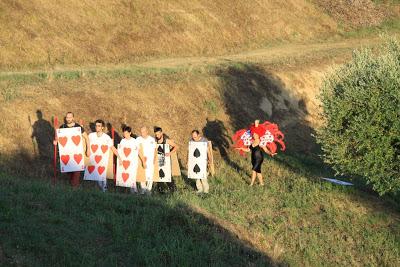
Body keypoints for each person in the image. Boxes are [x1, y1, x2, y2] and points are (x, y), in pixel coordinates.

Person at [53, 111, 88, 188]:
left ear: (73, 118)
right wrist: (56, 141)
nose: (68, 119)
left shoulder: (78, 127)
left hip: (77, 155)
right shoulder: (62, 127)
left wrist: (87, 149)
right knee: (69, 174)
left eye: (70, 117)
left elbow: (86, 137)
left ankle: (75, 189)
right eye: (67, 117)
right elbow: (58, 139)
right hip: (67, 155)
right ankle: (74, 188)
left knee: (76, 174)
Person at [236, 120, 276, 186]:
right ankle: (261, 183)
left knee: (254, 170)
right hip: (253, 158)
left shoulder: (261, 142)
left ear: (258, 135)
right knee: (258, 171)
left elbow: (266, 150)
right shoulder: (251, 142)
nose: (254, 135)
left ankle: (251, 184)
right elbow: (248, 150)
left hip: (259, 158)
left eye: (255, 134)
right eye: (253, 134)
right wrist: (241, 148)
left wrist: (271, 153)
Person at [87, 119, 122, 192]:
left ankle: (104, 189)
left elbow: (112, 148)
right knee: (96, 177)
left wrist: (119, 157)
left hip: (103, 160)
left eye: (99, 126)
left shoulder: (106, 138)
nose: (97, 127)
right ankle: (99, 189)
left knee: (102, 176)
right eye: (96, 126)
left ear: (102, 127)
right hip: (93, 159)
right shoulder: (91, 135)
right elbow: (85, 143)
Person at [120, 126, 146, 194]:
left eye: (126, 133)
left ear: (130, 133)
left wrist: (143, 161)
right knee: (128, 177)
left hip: (133, 163)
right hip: (125, 163)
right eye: (124, 133)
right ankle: (133, 192)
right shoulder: (122, 141)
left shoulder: (134, 141)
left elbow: (139, 151)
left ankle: (137, 191)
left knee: (133, 176)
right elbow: (120, 151)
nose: (125, 135)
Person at [154, 126, 179, 192]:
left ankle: (174, 190)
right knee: (159, 174)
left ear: (161, 133)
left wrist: (170, 153)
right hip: (158, 160)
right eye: (156, 134)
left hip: (166, 160)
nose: (157, 135)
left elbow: (176, 146)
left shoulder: (166, 140)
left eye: (158, 134)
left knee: (167, 175)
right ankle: (161, 190)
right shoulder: (155, 140)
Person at [136, 126, 157, 194]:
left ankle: (148, 190)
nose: (142, 133)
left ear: (147, 131)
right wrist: (142, 160)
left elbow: (155, 149)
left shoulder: (152, 139)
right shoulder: (138, 139)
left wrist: (154, 158)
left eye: (144, 132)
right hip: (142, 159)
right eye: (141, 132)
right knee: (142, 174)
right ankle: (143, 189)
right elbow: (138, 150)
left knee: (150, 175)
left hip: (150, 161)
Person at [190, 130, 212, 194]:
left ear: (198, 135)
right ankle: (199, 189)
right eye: (193, 137)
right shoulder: (191, 141)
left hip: (203, 161)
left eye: (195, 137)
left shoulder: (204, 140)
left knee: (203, 176)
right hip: (195, 160)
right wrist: (188, 161)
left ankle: (206, 190)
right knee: (196, 175)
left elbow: (208, 151)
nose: (194, 138)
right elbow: (190, 151)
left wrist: (210, 160)